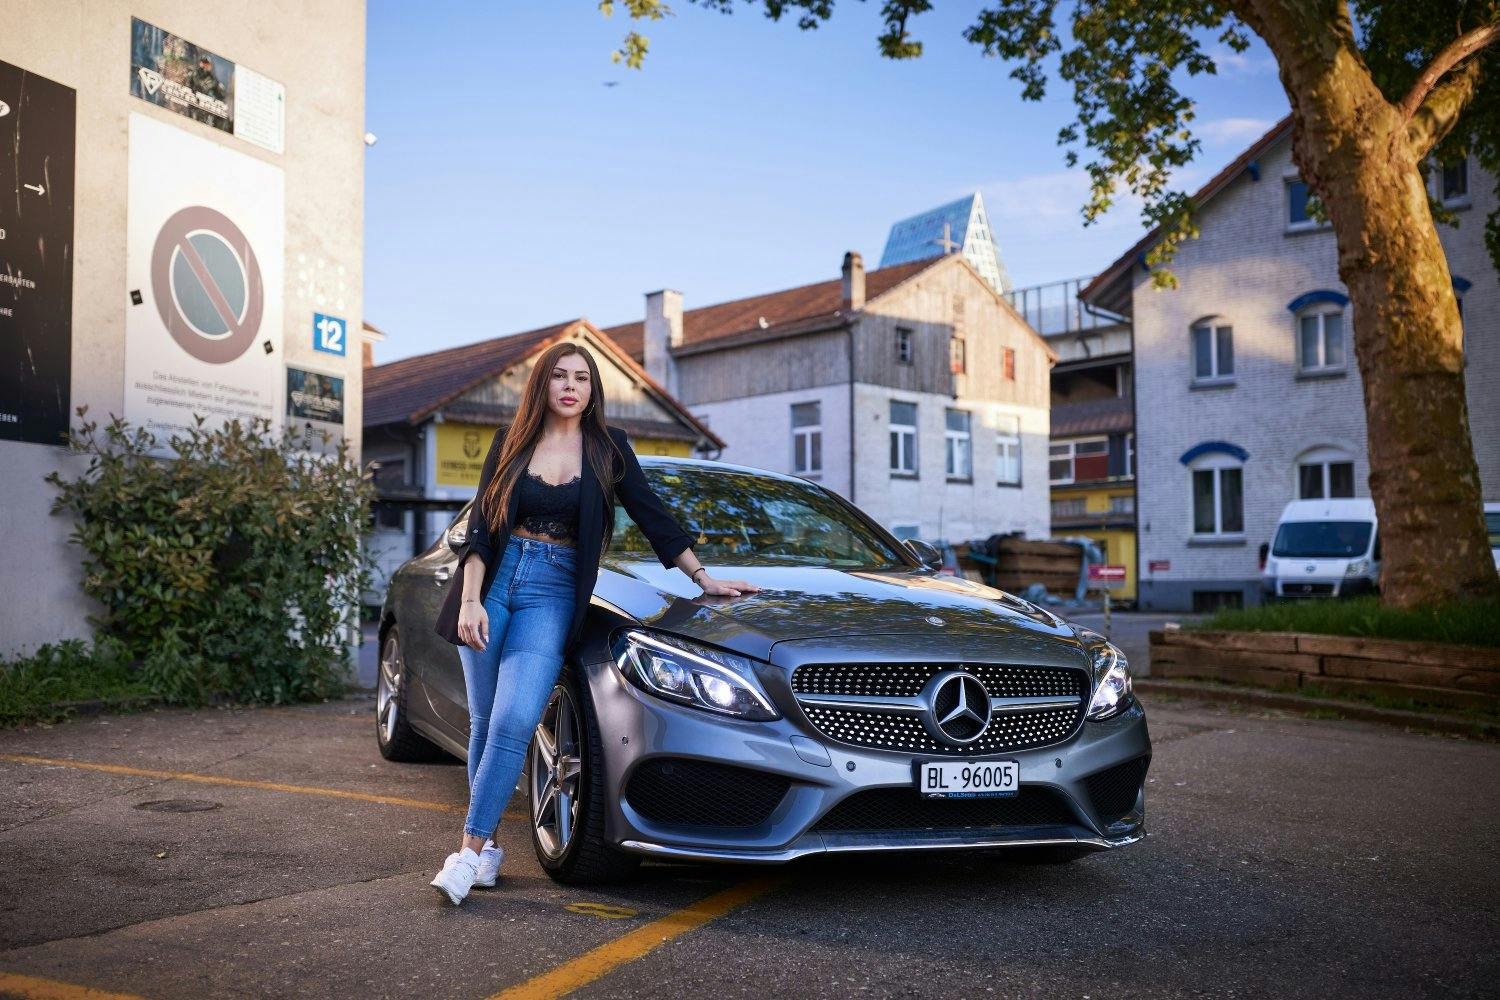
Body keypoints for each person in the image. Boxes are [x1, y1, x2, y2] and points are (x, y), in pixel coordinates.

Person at [427, 341, 761, 905]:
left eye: (581, 378)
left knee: (514, 719)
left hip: (553, 593)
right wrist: (470, 600)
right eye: (559, 376)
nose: (570, 386)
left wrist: (703, 578)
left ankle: (467, 850)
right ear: (542, 385)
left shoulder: (609, 450)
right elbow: (483, 527)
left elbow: (653, 516)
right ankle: (486, 855)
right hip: (492, 585)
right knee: (484, 720)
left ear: (592, 389)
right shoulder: (510, 442)